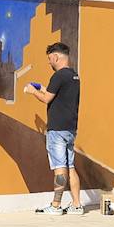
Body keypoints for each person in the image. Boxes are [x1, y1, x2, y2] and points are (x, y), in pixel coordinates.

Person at [24, 42, 83, 215]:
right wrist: (41, 88)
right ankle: (77, 205)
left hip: (57, 129)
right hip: (70, 129)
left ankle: (56, 206)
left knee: (59, 167)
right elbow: (55, 95)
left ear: (56, 57)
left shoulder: (58, 76)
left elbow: (46, 99)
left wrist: (32, 91)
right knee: (70, 167)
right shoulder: (74, 76)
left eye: (50, 58)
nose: (49, 62)